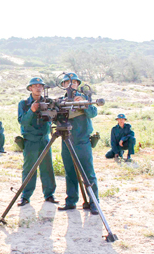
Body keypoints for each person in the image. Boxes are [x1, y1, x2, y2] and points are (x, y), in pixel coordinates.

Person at [57, 72, 99, 215]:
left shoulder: (84, 98)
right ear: (63, 85)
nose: (71, 85)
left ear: (78, 85)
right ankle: (71, 201)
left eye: (74, 82)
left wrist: (83, 104)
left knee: (88, 173)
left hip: (82, 141)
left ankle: (94, 203)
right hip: (66, 140)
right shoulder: (60, 101)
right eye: (67, 83)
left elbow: (93, 113)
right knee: (70, 173)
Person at [17, 77, 58, 206]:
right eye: (35, 86)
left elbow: (55, 117)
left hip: (45, 140)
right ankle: (26, 196)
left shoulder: (48, 102)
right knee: (29, 169)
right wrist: (32, 110)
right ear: (30, 88)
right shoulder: (23, 104)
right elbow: (22, 121)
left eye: (40, 86)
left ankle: (49, 194)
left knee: (47, 168)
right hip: (31, 140)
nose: (38, 88)